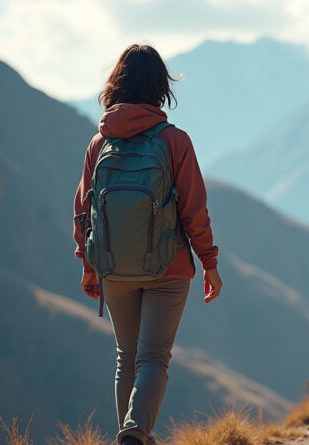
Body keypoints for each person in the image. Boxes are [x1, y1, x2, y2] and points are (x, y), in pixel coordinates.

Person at [72, 44, 222, 445]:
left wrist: (88, 265)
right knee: (153, 358)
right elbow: (194, 210)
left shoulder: (98, 143)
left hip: (113, 266)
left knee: (127, 358)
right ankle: (135, 435)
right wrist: (209, 262)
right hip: (168, 267)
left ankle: (133, 435)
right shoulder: (174, 141)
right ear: (161, 87)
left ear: (115, 85)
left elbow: (82, 212)